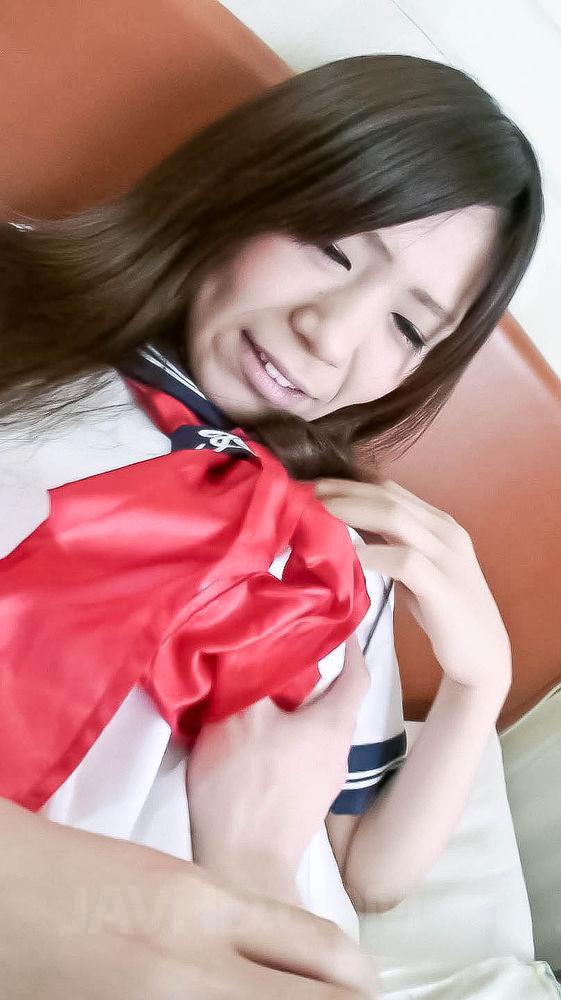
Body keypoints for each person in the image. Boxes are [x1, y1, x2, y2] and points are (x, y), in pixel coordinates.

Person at [0, 53, 542, 998]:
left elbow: (371, 870)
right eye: (331, 245)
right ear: (244, 183)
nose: (330, 333)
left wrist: (475, 683)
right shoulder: (22, 329)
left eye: (408, 329)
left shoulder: (345, 546)